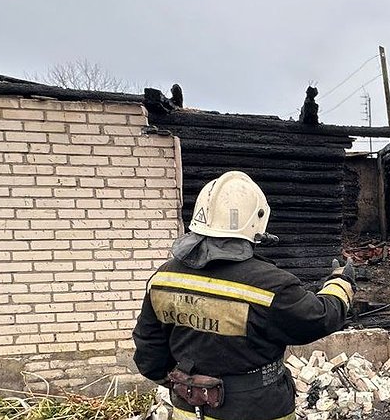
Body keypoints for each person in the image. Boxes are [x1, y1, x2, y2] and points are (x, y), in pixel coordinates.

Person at [133, 171, 354, 420]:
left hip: (188, 408)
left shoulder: (164, 278)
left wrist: (184, 384)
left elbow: (148, 348)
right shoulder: (269, 285)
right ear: (256, 220)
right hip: (258, 409)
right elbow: (320, 317)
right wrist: (341, 281)